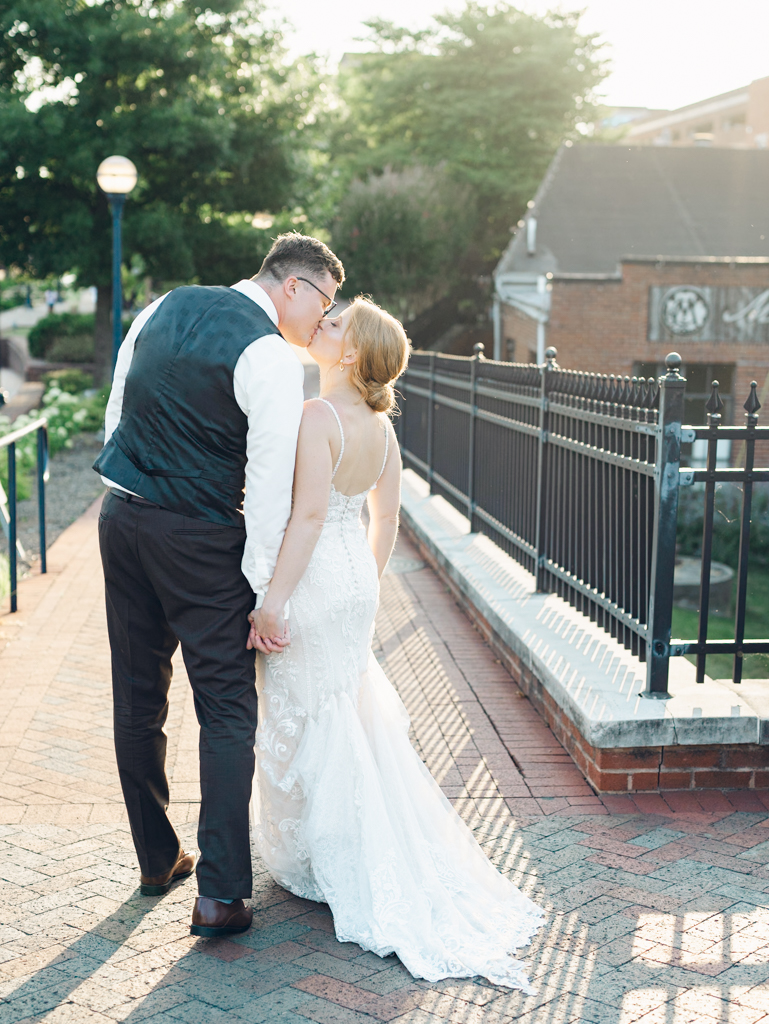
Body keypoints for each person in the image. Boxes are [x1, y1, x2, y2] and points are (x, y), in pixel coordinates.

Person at [249, 297, 544, 991]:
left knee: (311, 711)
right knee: (343, 711)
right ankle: (336, 847)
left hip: (316, 579)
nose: (319, 324)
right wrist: (366, 585)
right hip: (355, 581)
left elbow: (311, 515)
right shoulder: (380, 427)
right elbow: (386, 516)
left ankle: (320, 859)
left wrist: (275, 599)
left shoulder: (318, 416)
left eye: (332, 325)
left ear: (349, 354)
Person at [93, 233, 344, 938]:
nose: (320, 319)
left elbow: (118, 412)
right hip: (200, 536)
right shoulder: (266, 354)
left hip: (123, 519)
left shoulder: (160, 308)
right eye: (323, 301)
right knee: (227, 706)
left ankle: (156, 858)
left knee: (137, 696)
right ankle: (222, 894)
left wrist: (131, 490)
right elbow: (265, 495)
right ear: (293, 286)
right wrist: (268, 599)